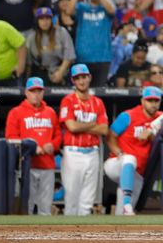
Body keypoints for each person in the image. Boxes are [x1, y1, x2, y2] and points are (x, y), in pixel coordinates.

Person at [57, 64, 109, 216]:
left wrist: (83, 126)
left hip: (92, 153)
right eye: (77, 78)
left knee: (87, 201)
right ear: (73, 81)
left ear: (89, 77)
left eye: (84, 77)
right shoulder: (68, 100)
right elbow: (71, 126)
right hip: (73, 153)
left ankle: (83, 237)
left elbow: (104, 129)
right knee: (72, 200)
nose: (81, 81)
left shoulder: (98, 102)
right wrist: (93, 125)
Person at [104, 86, 163, 215]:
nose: (153, 104)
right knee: (129, 158)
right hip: (116, 163)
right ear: (142, 101)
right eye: (150, 100)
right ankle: (126, 203)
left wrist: (151, 130)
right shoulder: (128, 116)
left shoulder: (161, 117)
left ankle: (125, 209)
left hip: (137, 174)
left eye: (156, 101)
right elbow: (110, 136)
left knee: (125, 214)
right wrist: (119, 153)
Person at [5, 77, 61, 216]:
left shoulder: (50, 112)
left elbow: (58, 135)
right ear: (26, 93)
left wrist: (52, 145)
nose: (36, 94)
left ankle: (46, 237)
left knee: (45, 207)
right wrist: (31, 147)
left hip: (47, 164)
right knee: (27, 206)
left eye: (39, 91)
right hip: (27, 165)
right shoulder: (16, 112)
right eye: (33, 91)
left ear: (43, 92)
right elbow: (11, 138)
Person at [73, 0, 115, 86]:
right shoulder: (81, 7)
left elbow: (112, 11)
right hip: (83, 57)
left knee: (99, 93)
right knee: (82, 91)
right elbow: (69, 10)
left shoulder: (106, 7)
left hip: (102, 57)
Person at [26, 7, 75, 86]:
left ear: (51, 20)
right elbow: (29, 63)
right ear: (37, 21)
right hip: (41, 73)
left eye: (47, 18)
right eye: (41, 19)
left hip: (60, 71)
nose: (45, 22)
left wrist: (60, 72)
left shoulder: (61, 32)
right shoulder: (31, 37)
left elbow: (69, 55)